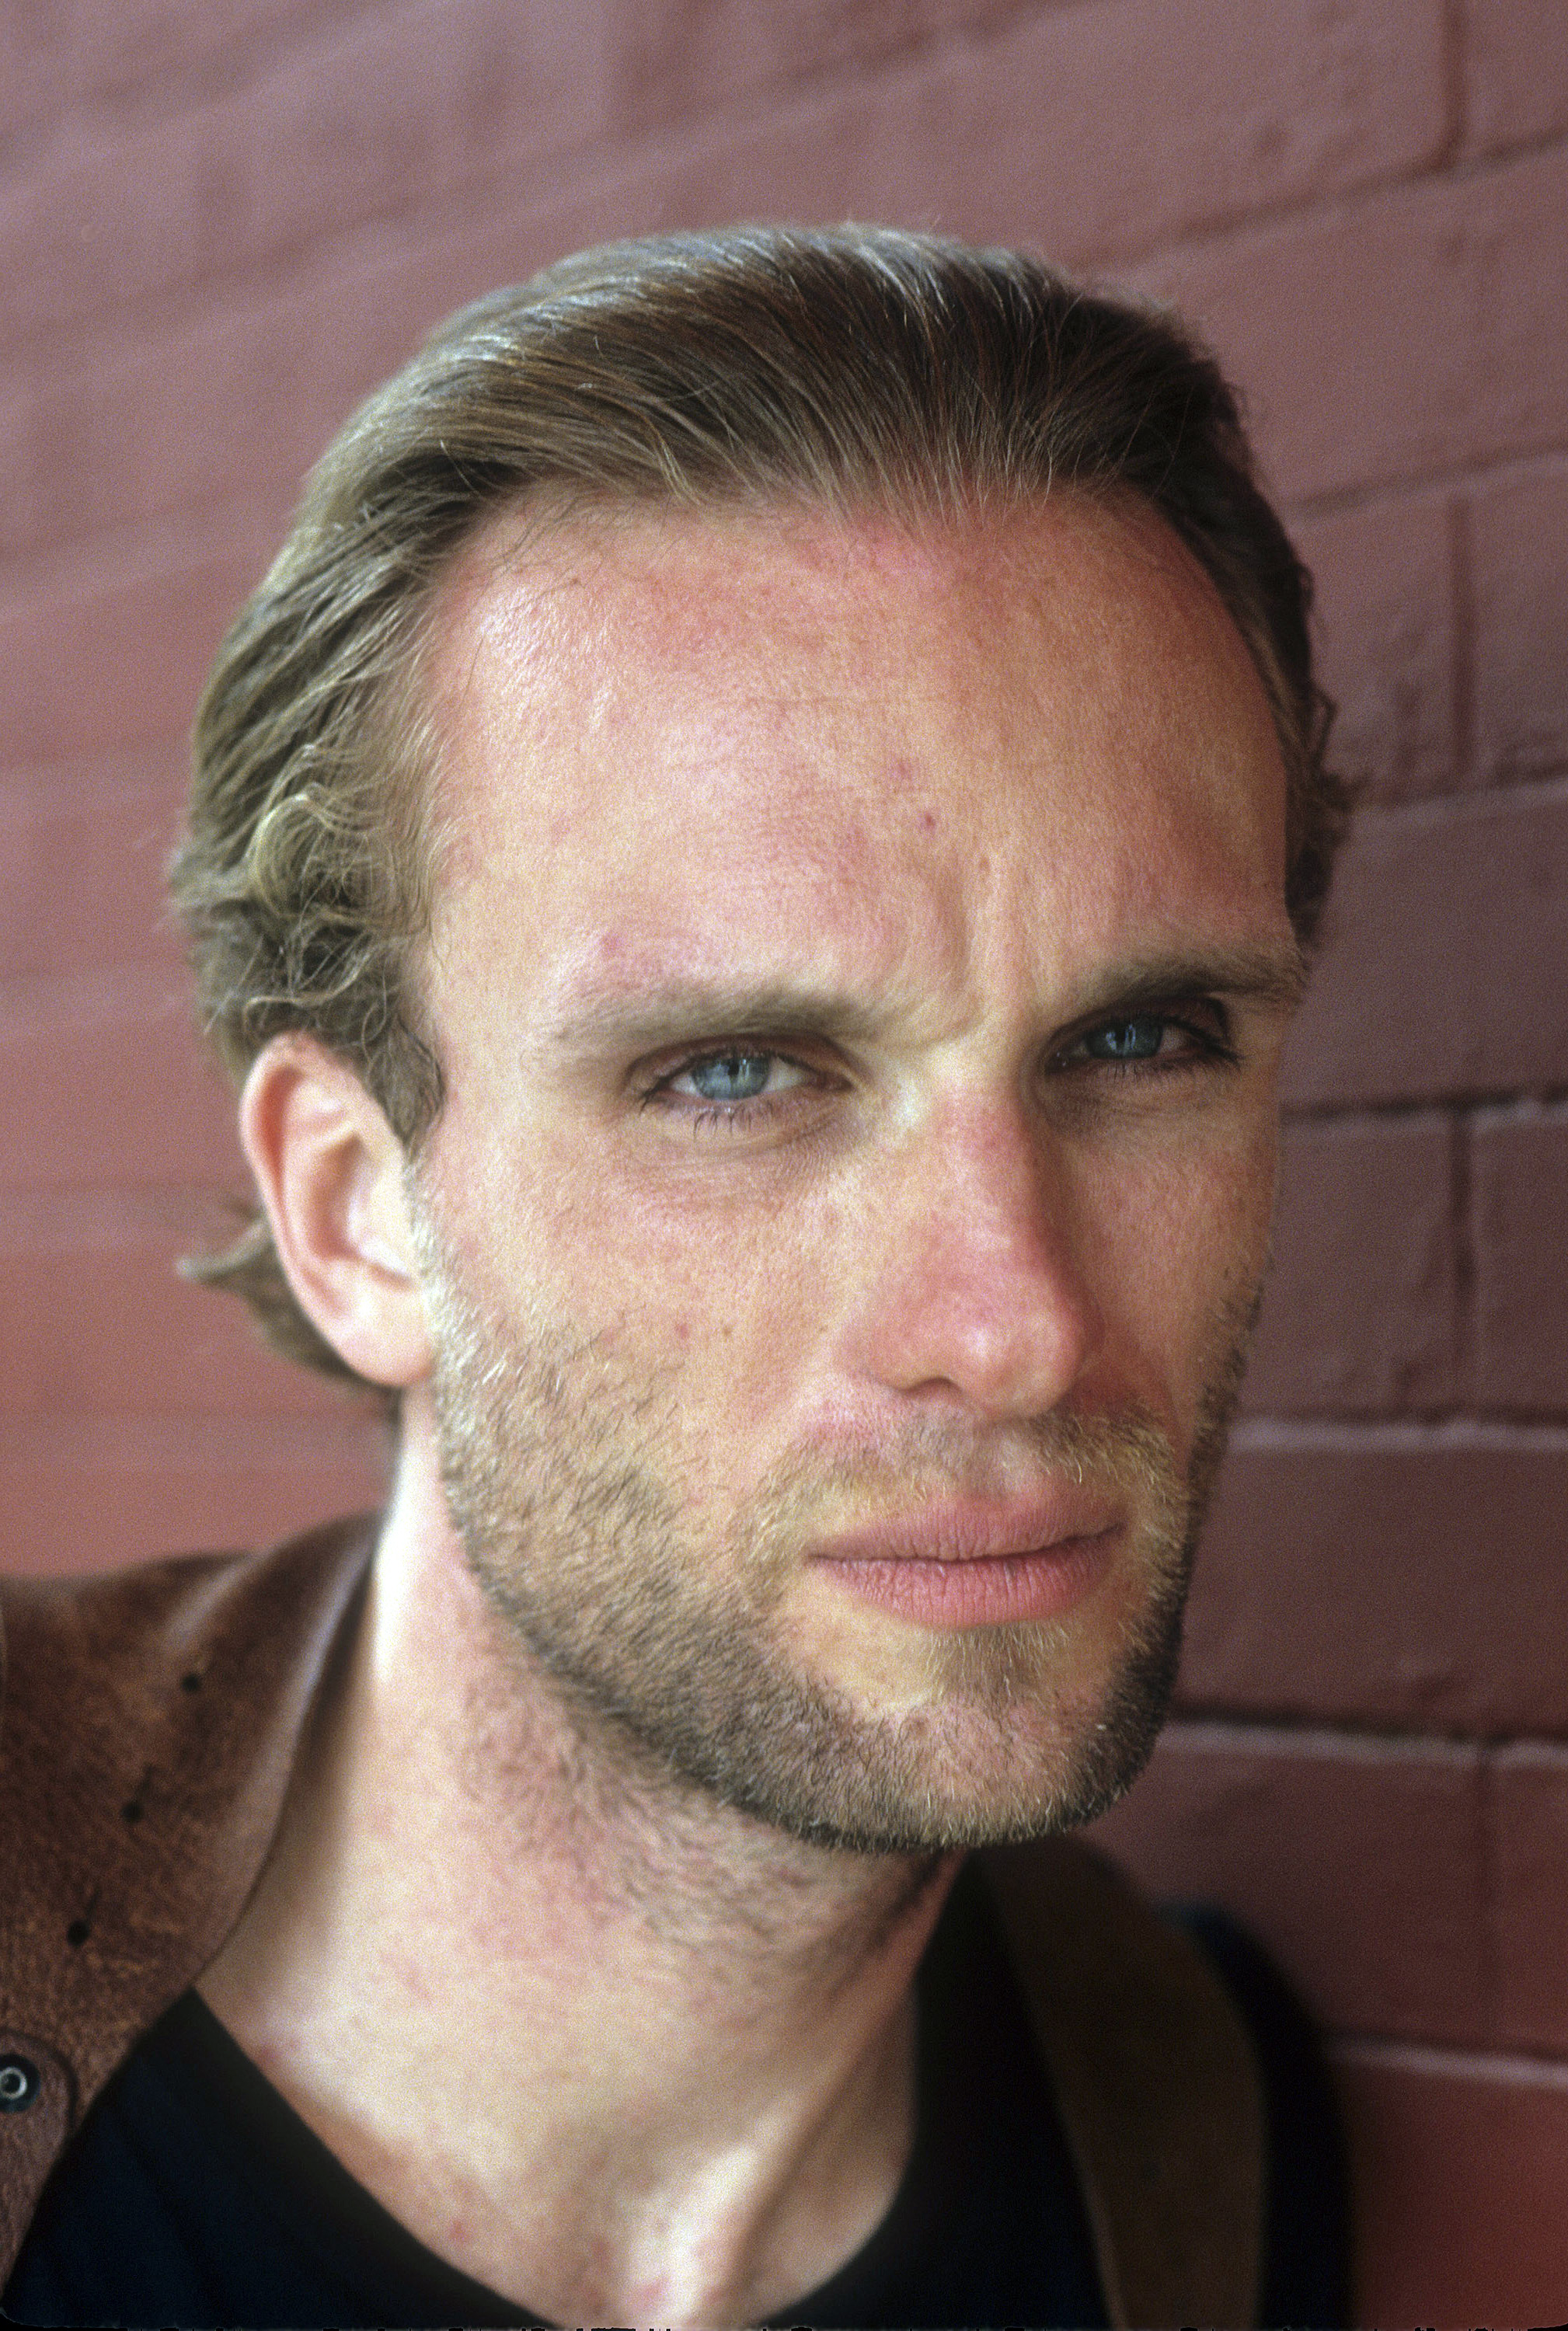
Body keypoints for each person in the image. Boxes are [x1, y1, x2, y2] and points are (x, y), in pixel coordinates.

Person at [0, 227, 1351, 2329]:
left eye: (1134, 1044)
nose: (1016, 1322)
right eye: (734, 1075)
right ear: (359, 1211)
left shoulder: (1180, 2142)